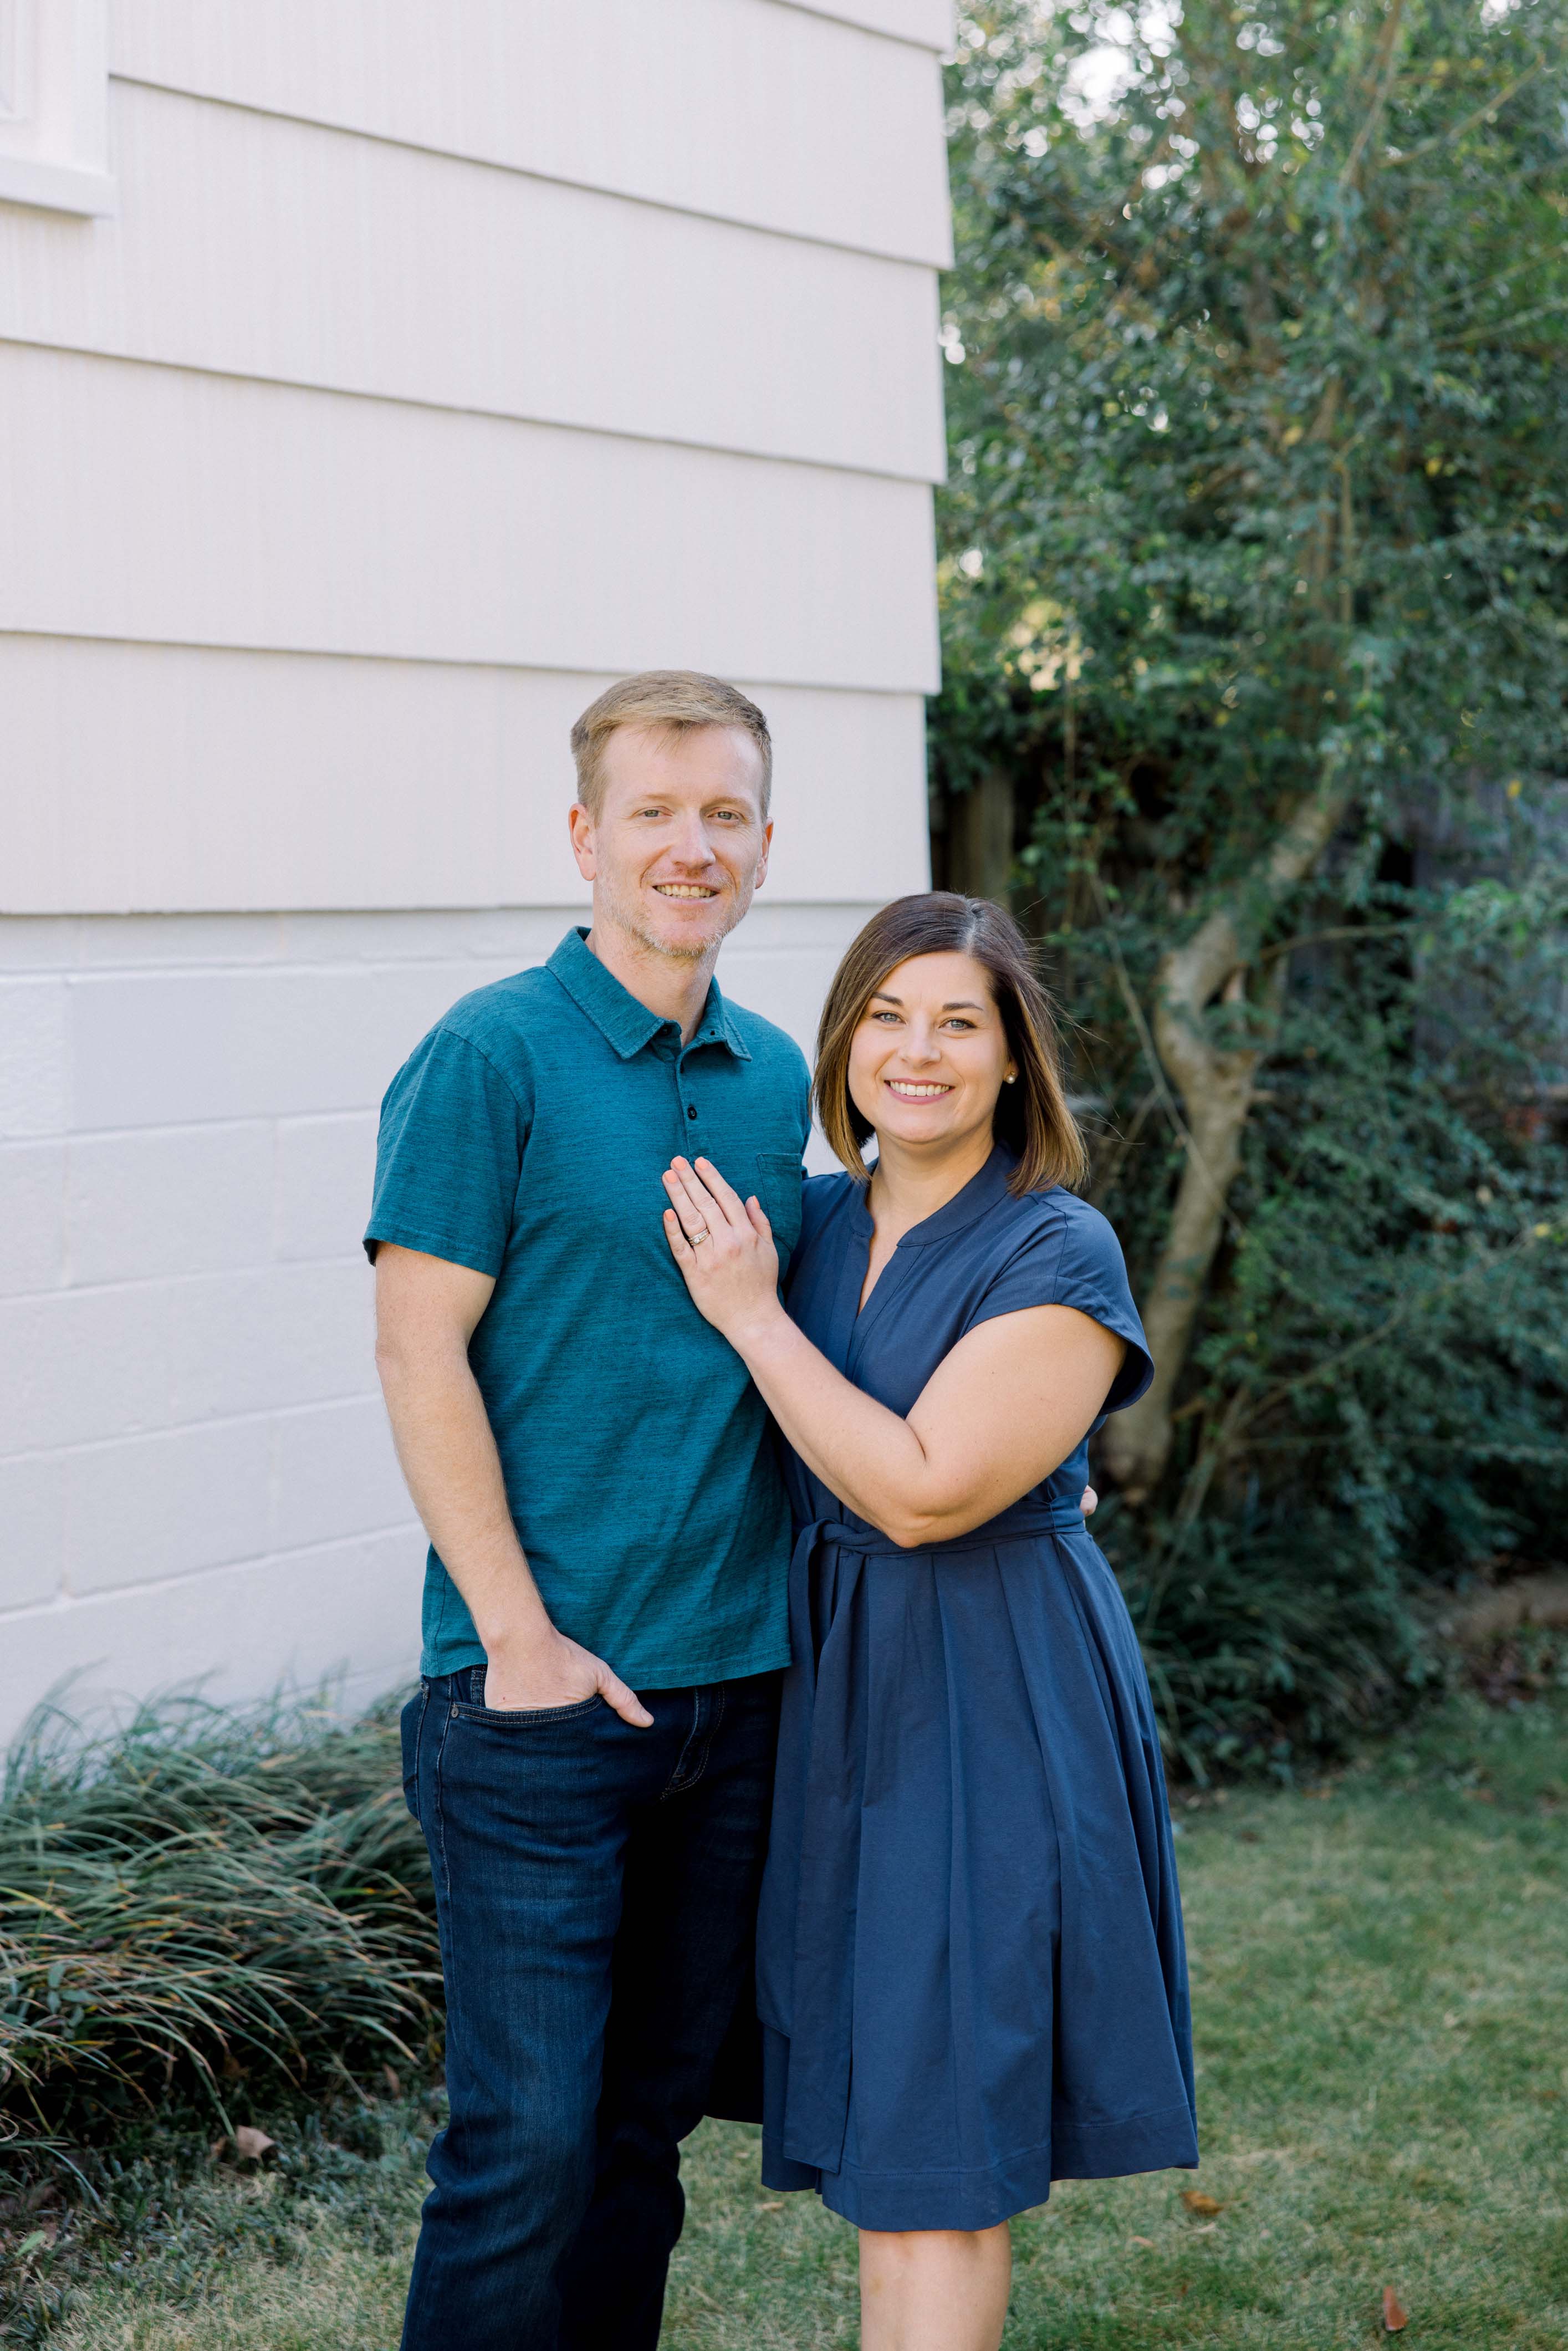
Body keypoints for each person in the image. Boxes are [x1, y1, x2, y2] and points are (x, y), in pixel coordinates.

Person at [660, 891, 1198, 2351]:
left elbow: (919, 1490)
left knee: (944, 2145)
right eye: (887, 1016)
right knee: (890, 2138)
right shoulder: (817, 1223)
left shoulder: (1056, 1245)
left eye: (961, 1021)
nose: (920, 1050)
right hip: (842, 1698)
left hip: (986, 1694)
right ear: (841, 1050)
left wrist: (751, 1318)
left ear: (1015, 1057)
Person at [365, 672, 813, 2350]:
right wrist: (520, 1636)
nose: (689, 847)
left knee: (641, 2141)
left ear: (765, 844)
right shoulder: (494, 1054)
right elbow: (419, 1351)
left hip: (736, 1703)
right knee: (525, 2150)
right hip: (540, 1707)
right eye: (655, 812)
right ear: (586, 836)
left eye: (722, 815)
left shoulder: (777, 1076)